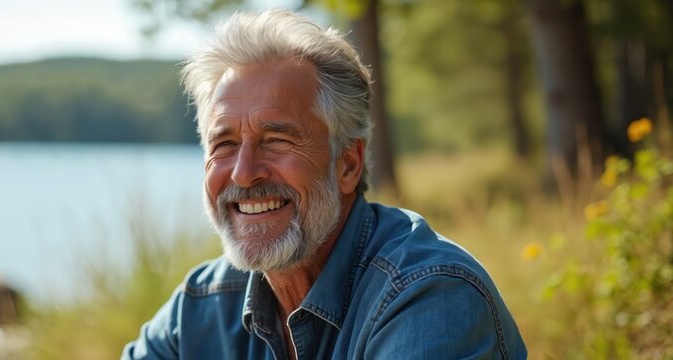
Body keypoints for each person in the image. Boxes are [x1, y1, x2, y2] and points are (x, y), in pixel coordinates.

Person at [123, 9, 527, 360]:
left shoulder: (430, 297)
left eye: (277, 140)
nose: (244, 173)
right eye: (224, 144)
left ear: (347, 164)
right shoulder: (202, 305)